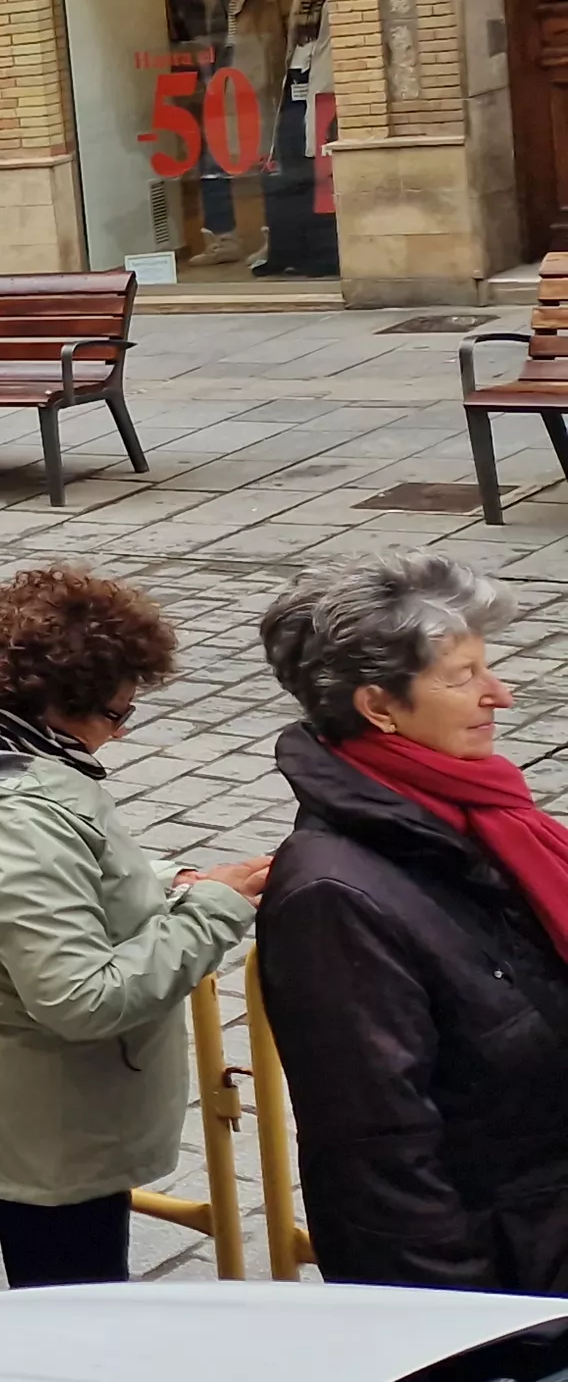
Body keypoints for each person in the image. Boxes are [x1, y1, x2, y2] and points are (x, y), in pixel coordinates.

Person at [0, 563, 262, 1289]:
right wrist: (217, 909)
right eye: (116, 715)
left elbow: (76, 871)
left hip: (22, 1101)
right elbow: (84, 999)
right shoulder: (16, 821)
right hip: (49, 1123)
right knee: (74, 1304)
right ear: (57, 706)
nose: (121, 731)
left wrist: (166, 881)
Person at [255, 552, 568, 1292]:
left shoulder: (483, 819)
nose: (502, 695)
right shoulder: (335, 900)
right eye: (462, 679)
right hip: (511, 1303)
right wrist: (473, 1342)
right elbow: (378, 1165)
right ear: (379, 708)